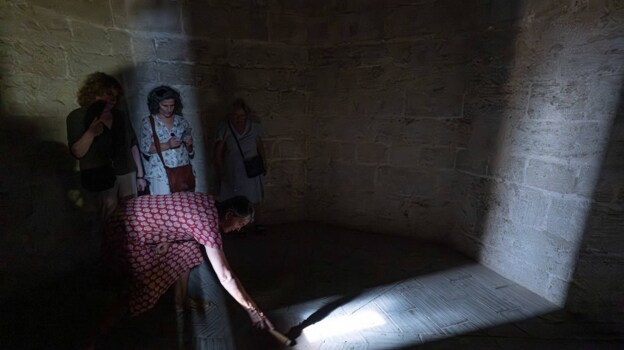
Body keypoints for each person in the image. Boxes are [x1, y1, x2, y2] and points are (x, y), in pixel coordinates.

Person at [83, 194, 273, 349]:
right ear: (230, 215)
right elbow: (225, 276)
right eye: (240, 224)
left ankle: (180, 302)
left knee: (188, 250)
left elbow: (174, 215)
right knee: (142, 289)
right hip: (127, 229)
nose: (238, 229)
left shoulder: (208, 202)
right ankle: (92, 336)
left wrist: (166, 238)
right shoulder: (207, 225)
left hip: (133, 214)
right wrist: (253, 310)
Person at [66, 72, 147, 221]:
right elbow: (77, 152)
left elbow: (132, 144)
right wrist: (90, 133)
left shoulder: (120, 116)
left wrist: (140, 175)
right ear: (94, 93)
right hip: (99, 176)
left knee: (130, 218)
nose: (112, 98)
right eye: (108, 93)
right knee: (105, 220)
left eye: (115, 95)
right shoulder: (78, 116)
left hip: (126, 172)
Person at [214, 99, 267, 231]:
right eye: (236, 116)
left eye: (242, 115)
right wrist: (220, 170)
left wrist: (264, 163)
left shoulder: (254, 127)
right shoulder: (225, 127)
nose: (239, 118)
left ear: (246, 115)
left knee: (254, 196)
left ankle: (256, 223)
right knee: (235, 198)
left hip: (252, 167)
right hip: (234, 168)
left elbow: (259, 145)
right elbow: (218, 150)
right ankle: (239, 225)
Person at [140, 85, 195, 195]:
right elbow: (146, 149)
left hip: (182, 172)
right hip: (160, 175)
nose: (169, 109)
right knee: (164, 209)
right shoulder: (149, 122)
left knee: (182, 208)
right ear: (157, 104)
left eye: (172, 105)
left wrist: (189, 145)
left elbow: (190, 151)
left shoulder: (182, 121)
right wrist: (168, 145)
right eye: (165, 106)